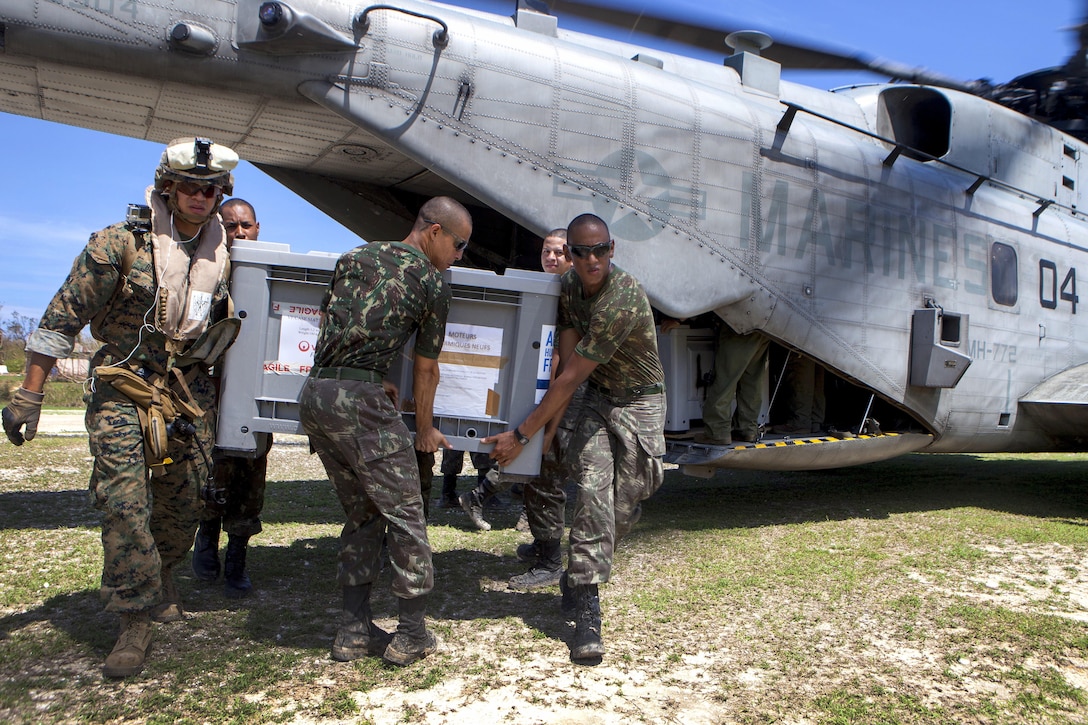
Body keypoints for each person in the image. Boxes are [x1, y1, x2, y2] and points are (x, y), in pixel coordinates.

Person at [1, 137, 240, 678]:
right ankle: (135, 615)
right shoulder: (118, 243)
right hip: (123, 384)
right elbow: (60, 317)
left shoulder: (226, 252)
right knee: (124, 497)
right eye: (189, 187)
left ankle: (165, 573)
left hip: (188, 392)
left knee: (183, 502)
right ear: (167, 188)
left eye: (210, 189)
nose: (200, 197)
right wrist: (29, 394)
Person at [483, 214, 666, 664]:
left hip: (640, 405)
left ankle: (579, 571)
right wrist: (544, 436)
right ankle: (586, 609)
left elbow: (569, 377)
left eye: (598, 250)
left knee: (624, 505)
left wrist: (525, 434)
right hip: (599, 402)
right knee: (591, 495)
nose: (589, 260)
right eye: (578, 252)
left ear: (612, 248)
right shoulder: (568, 289)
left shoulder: (620, 298)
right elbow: (563, 369)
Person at [298, 196, 470, 667]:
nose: (459, 256)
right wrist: (426, 429)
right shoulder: (432, 282)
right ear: (434, 232)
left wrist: (371, 377)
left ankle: (353, 631)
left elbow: (339, 330)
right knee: (407, 514)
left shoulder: (353, 257)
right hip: (362, 407)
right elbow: (427, 367)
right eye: (459, 245)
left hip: (317, 395)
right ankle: (412, 633)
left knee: (363, 513)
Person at [191, 198, 268, 598]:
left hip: (254, 401)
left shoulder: (273, 277)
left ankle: (237, 557)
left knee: (250, 479)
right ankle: (206, 542)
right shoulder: (204, 275)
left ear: (258, 228)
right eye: (230, 226)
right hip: (210, 398)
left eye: (246, 225)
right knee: (211, 476)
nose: (239, 233)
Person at [694, 322, 770, 445]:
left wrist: (681, 318)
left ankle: (717, 432)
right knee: (752, 381)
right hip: (764, 325)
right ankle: (747, 429)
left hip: (739, 325)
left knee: (725, 381)